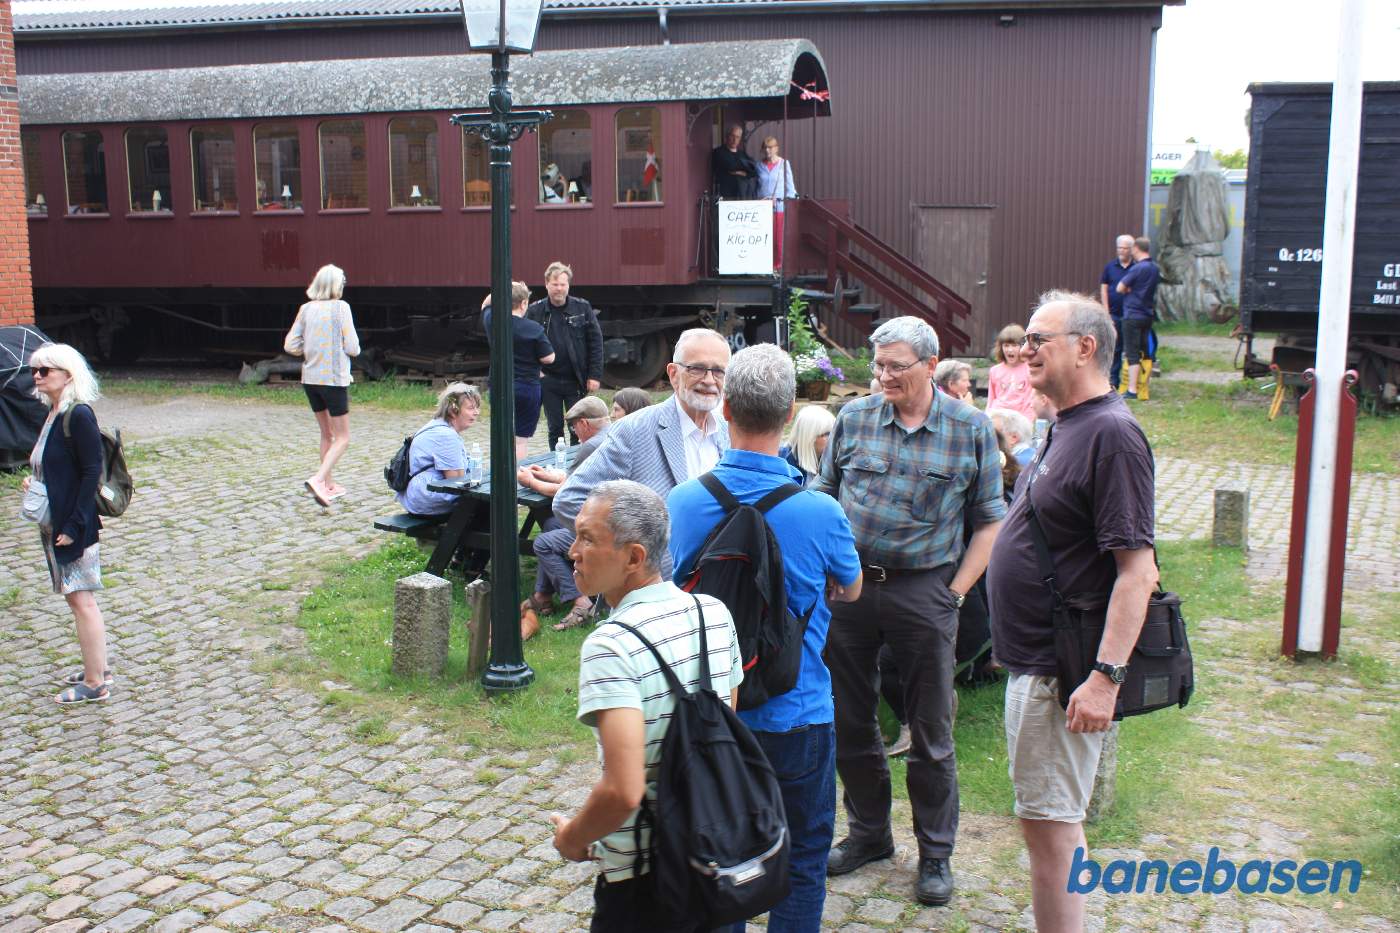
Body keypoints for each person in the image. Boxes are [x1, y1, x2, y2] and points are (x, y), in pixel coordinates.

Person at [812, 316, 1005, 907]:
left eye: (896, 365)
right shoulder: (855, 418)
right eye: (878, 365)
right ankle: (869, 836)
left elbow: (991, 519)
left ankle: (935, 855)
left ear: (930, 363)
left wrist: (955, 592)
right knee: (850, 720)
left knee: (931, 732)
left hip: (926, 592)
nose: (884, 376)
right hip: (850, 590)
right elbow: (825, 491)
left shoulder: (971, 429)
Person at [668, 345, 862, 932]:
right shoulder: (820, 512)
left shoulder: (683, 502)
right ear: (790, 414)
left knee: (720, 859)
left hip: (714, 713)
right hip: (797, 709)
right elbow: (849, 590)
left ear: (724, 408)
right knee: (803, 859)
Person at [986, 291, 1157, 933]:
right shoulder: (1067, 423)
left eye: (1039, 339)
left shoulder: (1111, 435)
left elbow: (1137, 572)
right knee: (1049, 825)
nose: (1024, 350)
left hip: (1062, 672)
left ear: (1085, 347)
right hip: (1034, 663)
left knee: (1051, 833)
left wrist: (1104, 677)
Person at [551, 480, 742, 933]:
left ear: (634, 557)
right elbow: (725, 730)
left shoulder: (610, 644)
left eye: (588, 539)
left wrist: (572, 839)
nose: (572, 550)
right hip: (708, 850)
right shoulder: (712, 613)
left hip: (644, 876)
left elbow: (623, 791)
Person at [553, 329, 731, 553]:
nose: (709, 380)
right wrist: (634, 553)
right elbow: (570, 500)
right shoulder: (634, 430)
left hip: (717, 579)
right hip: (659, 580)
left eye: (718, 371)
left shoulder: (728, 429)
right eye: (697, 369)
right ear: (673, 374)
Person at [23, 344, 111, 704]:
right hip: (56, 518)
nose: (38, 377)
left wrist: (74, 525)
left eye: (45, 370)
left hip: (73, 523)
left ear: (67, 374)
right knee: (77, 598)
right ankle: (97, 666)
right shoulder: (53, 413)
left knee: (81, 599)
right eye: (35, 371)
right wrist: (36, 480)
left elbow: (92, 472)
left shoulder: (78, 415)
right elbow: (57, 464)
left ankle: (95, 684)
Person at [518, 396, 613, 632]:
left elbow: (565, 491)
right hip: (610, 516)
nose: (575, 432)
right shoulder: (611, 436)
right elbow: (574, 481)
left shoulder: (591, 445)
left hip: (602, 526)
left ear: (584, 424)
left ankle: (581, 602)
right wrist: (545, 475)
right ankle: (542, 596)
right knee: (550, 525)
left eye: (574, 427)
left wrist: (530, 482)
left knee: (543, 543)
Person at [284, 263, 360, 507]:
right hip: (334, 380)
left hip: (311, 379)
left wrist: (310, 350)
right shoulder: (341, 308)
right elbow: (353, 347)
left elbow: (290, 345)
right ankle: (318, 480)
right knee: (343, 437)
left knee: (326, 434)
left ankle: (328, 485)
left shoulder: (306, 309)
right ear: (336, 285)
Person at [526, 262, 604, 452]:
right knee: (554, 428)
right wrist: (535, 371)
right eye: (555, 284)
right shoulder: (535, 311)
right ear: (546, 284)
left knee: (578, 427)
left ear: (568, 285)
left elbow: (596, 342)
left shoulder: (582, 308)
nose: (559, 288)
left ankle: (579, 462)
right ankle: (556, 462)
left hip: (576, 379)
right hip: (548, 380)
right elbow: (524, 344)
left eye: (563, 284)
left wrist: (595, 375)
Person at [483, 281, 556, 460]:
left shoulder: (491, 320)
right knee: (520, 439)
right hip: (527, 387)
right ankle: (517, 478)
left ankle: (498, 476)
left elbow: (485, 303)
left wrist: (504, 288)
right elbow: (549, 358)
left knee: (501, 435)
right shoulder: (534, 329)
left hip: (500, 386)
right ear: (524, 303)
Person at [394, 384, 482, 517]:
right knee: (488, 503)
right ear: (453, 411)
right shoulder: (446, 435)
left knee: (484, 501)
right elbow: (456, 481)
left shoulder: (439, 426)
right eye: (471, 408)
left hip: (419, 494)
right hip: (426, 497)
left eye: (477, 407)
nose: (476, 412)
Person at [1115, 236, 1159, 400]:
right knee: (1145, 352)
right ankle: (1143, 390)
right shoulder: (1154, 268)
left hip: (1132, 314)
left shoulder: (1137, 268)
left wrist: (1129, 289)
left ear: (1136, 249)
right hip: (1147, 314)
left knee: (1132, 353)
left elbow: (1120, 287)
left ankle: (1132, 390)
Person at [1098, 234, 1135, 390]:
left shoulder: (1136, 267)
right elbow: (1104, 287)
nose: (1122, 251)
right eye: (1119, 248)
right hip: (1113, 313)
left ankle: (1130, 383)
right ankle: (1113, 381)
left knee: (1130, 349)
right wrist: (1106, 310)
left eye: (1125, 248)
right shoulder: (1110, 267)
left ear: (1131, 250)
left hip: (1130, 314)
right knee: (1114, 347)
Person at [756, 136, 798, 271]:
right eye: (765, 148)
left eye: (771, 147)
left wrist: (790, 203)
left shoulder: (784, 164)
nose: (768, 150)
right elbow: (756, 187)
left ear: (776, 148)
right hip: (762, 208)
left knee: (778, 240)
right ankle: (764, 267)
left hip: (779, 207)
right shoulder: (758, 166)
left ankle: (779, 268)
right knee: (764, 239)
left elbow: (790, 188)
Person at [986, 323, 1036, 421]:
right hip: (998, 417)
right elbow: (991, 399)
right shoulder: (994, 371)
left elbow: (1031, 401)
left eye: (1014, 345)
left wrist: (1027, 421)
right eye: (1006, 345)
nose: (1010, 349)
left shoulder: (1030, 369)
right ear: (1001, 347)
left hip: (1020, 419)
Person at [780, 403, 835, 484]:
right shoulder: (785, 468)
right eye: (827, 434)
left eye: (834, 432)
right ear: (809, 438)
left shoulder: (833, 460)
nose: (832, 438)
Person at [711, 125, 757, 200]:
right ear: (727, 136)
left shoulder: (742, 154)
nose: (735, 139)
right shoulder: (719, 152)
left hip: (741, 195)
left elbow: (753, 171)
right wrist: (744, 169)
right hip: (726, 195)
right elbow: (731, 166)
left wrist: (739, 172)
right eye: (732, 136)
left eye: (738, 137)